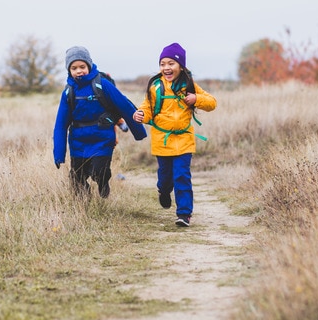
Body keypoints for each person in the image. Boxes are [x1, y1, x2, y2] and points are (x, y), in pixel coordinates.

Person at [132, 42, 216, 227]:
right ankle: (163, 191)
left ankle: (184, 214)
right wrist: (140, 115)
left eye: (171, 63)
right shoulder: (155, 87)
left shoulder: (189, 85)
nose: (166, 68)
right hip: (162, 141)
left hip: (184, 140)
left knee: (182, 176)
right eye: (163, 64)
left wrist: (196, 99)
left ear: (181, 66)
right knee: (165, 178)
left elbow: (212, 103)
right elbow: (147, 109)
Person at [53, 46, 147, 198]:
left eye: (82, 67)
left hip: (102, 138)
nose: (79, 71)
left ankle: (103, 181)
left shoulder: (102, 84)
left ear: (89, 66)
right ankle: (86, 205)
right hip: (78, 142)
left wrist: (139, 132)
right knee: (76, 179)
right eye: (74, 68)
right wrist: (58, 153)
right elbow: (61, 124)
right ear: (69, 70)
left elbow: (124, 106)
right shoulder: (68, 92)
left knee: (99, 171)